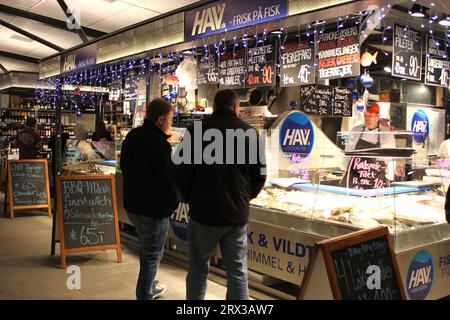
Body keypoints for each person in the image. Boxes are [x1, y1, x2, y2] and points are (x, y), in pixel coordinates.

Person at [175, 89, 266, 300]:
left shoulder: (195, 131)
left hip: (203, 212)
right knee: (237, 272)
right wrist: (243, 198)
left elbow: (180, 171)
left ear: (214, 106)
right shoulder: (251, 134)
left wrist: (190, 197)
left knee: (198, 269)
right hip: (236, 215)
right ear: (236, 108)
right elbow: (260, 176)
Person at [120, 98, 179, 300]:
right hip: (153, 209)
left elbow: (125, 167)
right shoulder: (160, 144)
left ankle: (150, 286)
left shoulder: (132, 136)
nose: (170, 123)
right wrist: (173, 203)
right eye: (170, 119)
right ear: (161, 119)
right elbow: (166, 180)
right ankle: (144, 294)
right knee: (152, 254)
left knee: (147, 250)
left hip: (133, 205)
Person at [342, 102, 397, 188]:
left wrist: (389, 179)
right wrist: (344, 172)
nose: (367, 118)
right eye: (365, 115)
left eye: (370, 115)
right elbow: (348, 153)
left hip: (375, 180)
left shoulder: (386, 134)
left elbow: (390, 159)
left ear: (377, 116)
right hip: (355, 178)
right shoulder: (356, 130)